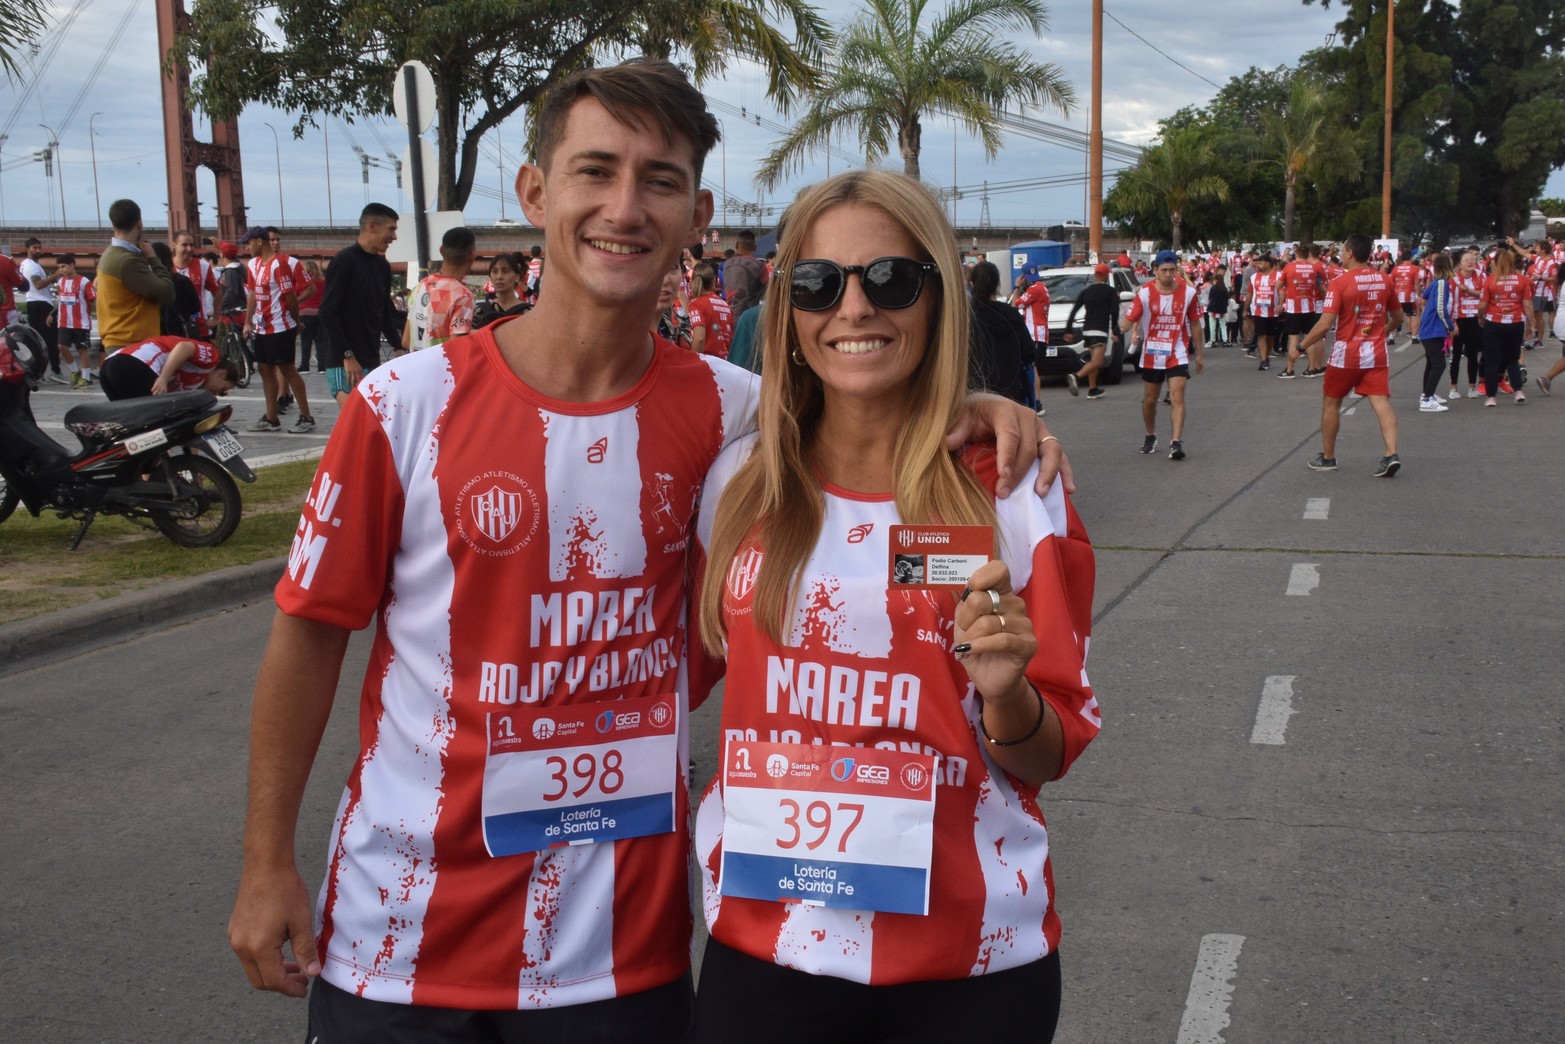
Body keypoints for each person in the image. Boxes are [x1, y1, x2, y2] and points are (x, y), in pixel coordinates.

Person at [226, 59, 1063, 1044]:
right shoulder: (403, 408)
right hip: (399, 938)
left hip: (618, 961)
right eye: (594, 171)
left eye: (657, 181)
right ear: (535, 192)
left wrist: (976, 410)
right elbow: (310, 632)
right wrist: (265, 860)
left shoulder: (735, 417)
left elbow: (864, 417)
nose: (623, 207)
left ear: (695, 211)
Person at [688, 169, 1097, 1044]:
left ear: (937, 300)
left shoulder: (1015, 491)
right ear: (788, 312)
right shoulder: (734, 483)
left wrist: (1004, 696)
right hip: (767, 959)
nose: (854, 308)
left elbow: (1049, 748)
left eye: (889, 280)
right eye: (817, 283)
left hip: (970, 967)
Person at [1299, 232, 1404, 477]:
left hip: (1346, 354)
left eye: (1343, 250)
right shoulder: (1384, 280)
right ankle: (1391, 453)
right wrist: (1381, 332)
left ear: (1350, 253)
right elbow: (1398, 317)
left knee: (1332, 403)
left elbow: (1325, 324)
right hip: (1376, 353)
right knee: (1381, 402)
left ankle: (1328, 457)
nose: (1340, 255)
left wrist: (1301, 346)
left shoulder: (1340, 283)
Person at [316, 203, 403, 407]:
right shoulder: (344, 261)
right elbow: (327, 312)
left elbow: (384, 314)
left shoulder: (382, 266)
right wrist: (347, 355)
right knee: (355, 427)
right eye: (391, 229)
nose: (394, 237)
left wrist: (399, 346)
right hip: (344, 362)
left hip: (371, 360)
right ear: (371, 225)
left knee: (371, 428)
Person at [1122, 248, 1204, 460]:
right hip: (1152, 353)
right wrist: (1116, 332)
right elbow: (1130, 319)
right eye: (1164, 270)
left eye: (1173, 270)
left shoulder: (1188, 293)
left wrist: (1200, 355)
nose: (1169, 275)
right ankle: (1151, 435)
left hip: (1177, 351)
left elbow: (1195, 324)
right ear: (1155, 270)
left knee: (1177, 396)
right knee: (1150, 400)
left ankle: (1175, 442)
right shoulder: (1145, 293)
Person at [240, 226, 315, 433]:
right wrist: (248, 322)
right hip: (262, 327)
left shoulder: (280, 264)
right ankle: (271, 417)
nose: (246, 247)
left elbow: (291, 298)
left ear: (259, 241)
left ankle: (306, 416)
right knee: (265, 370)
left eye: (248, 243)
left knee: (287, 369)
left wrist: (296, 322)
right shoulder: (253, 264)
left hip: (281, 326)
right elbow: (253, 295)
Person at [95, 199, 176, 358]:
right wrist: (154, 259)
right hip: (132, 344)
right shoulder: (127, 261)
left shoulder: (110, 254)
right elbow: (167, 293)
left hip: (120, 341)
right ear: (139, 223)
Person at [967, 260, 1034, 405]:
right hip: (1011, 397)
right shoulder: (1011, 314)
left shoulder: (965, 317)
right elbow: (1029, 353)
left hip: (975, 398)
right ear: (998, 284)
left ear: (972, 284)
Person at [1478, 238, 1534, 407]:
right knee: (1512, 358)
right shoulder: (1521, 280)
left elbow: (1482, 305)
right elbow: (1527, 304)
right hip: (1515, 323)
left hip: (1494, 323)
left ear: (1494, 263)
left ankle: (1491, 396)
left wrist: (1481, 316)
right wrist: (1531, 324)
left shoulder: (1491, 280)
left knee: (1492, 359)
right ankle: (1518, 391)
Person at [403, 226, 477, 351]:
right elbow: (456, 348)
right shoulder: (463, 296)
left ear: (441, 251)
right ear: (472, 256)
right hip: (441, 369)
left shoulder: (421, 286)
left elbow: (406, 341)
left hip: (416, 367)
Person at [98, 335, 238, 399]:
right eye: (222, 389)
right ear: (222, 374)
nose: (216, 393)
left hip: (110, 365)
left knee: (128, 425)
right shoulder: (212, 358)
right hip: (134, 364)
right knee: (150, 424)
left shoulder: (196, 381)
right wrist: (163, 378)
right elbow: (184, 347)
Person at [1063, 262, 1120, 399]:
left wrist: (1068, 330)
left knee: (1092, 360)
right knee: (1098, 361)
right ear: (1106, 275)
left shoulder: (1086, 291)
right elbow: (1115, 311)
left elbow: (1074, 310)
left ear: (1095, 275)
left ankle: (1093, 389)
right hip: (1100, 330)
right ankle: (1076, 376)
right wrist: (1115, 330)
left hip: (1087, 330)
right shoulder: (1110, 292)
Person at [1414, 251, 1457, 412]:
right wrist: (1450, 326)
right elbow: (1440, 308)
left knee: (1432, 363)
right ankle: (1426, 398)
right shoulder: (1442, 284)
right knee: (1439, 364)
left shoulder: (1436, 282)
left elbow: (1424, 296)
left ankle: (1427, 394)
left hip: (1431, 329)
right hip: (1433, 329)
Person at [19, 237, 66, 382]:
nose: (38, 250)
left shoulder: (23, 264)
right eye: (35, 248)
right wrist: (55, 275)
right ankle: (55, 371)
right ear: (27, 249)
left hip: (32, 303)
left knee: (37, 341)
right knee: (52, 339)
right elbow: (38, 284)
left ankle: (38, 372)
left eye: (39, 247)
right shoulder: (33, 266)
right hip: (41, 305)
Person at [1279, 244, 1324, 378]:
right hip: (1310, 307)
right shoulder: (1314, 268)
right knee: (1308, 338)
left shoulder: (1289, 267)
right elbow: (1320, 287)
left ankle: (1290, 369)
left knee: (1293, 338)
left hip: (1293, 307)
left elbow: (1278, 285)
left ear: (1297, 254)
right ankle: (1311, 368)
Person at [52, 254, 97, 388]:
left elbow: (93, 299)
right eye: (59, 267)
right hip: (64, 321)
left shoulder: (84, 281)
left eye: (63, 266)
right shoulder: (60, 282)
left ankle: (86, 377)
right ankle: (74, 371)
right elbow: (61, 301)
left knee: (82, 349)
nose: (61, 270)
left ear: (72, 265)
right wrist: (52, 314)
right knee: (62, 346)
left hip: (81, 322)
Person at [172, 230, 224, 338]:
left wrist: (215, 318)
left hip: (199, 327)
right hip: (173, 327)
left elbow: (217, 292)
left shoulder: (203, 266)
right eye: (184, 245)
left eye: (191, 245)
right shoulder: (166, 266)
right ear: (174, 245)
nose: (189, 249)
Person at [1449, 248, 1484, 399]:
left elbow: (1485, 295)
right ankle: (1453, 388)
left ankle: (1472, 387)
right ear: (1459, 264)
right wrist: (1453, 323)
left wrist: (1470, 291)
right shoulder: (1453, 279)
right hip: (1459, 320)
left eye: (1472, 259)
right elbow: (1449, 303)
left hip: (1475, 319)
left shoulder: (1481, 276)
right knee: (1456, 355)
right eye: (1466, 260)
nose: (1471, 262)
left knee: (1472, 354)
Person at [688, 260, 734, 359]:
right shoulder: (724, 304)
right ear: (714, 280)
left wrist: (692, 361)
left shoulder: (696, 304)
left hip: (707, 362)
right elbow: (716, 328)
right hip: (724, 361)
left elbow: (699, 339)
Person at [474, 250, 529, 329]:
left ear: (517, 277)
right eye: (494, 272)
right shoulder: (479, 311)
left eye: (505, 271)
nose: (499, 276)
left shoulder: (528, 312)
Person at [721, 228, 767, 320]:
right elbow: (766, 292)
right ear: (754, 247)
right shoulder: (759, 265)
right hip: (749, 318)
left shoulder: (727, 264)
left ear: (736, 245)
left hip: (728, 316)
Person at [1245, 253, 1280, 371]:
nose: (1258, 265)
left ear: (1268, 263)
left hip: (1273, 311)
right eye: (1257, 263)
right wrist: (1245, 309)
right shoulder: (1254, 277)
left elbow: (1282, 291)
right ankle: (1263, 360)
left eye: (1260, 263)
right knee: (1261, 335)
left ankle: (1267, 355)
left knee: (1270, 336)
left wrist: (1281, 305)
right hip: (1258, 311)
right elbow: (1249, 293)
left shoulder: (1278, 276)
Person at [296, 260, 326, 371]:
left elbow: (296, 294)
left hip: (305, 313)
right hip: (320, 313)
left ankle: (305, 366)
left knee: (305, 341)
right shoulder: (323, 281)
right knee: (320, 341)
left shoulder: (302, 283)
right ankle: (322, 366)